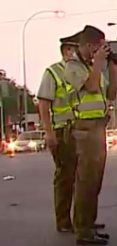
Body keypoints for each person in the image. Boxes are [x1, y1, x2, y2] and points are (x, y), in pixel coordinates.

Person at [64, 25, 117, 246]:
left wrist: (113, 69)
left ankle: (89, 223)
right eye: (98, 47)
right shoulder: (72, 67)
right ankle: (83, 230)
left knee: (96, 179)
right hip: (84, 129)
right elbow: (93, 87)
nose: (101, 51)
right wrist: (97, 64)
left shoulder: (92, 66)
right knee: (85, 180)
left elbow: (110, 94)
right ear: (87, 46)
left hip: (98, 128)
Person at [36, 31, 81, 233]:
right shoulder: (53, 72)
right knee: (65, 177)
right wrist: (49, 133)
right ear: (67, 51)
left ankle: (82, 219)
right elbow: (43, 104)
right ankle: (63, 220)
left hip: (81, 130)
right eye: (76, 49)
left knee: (83, 176)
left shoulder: (81, 71)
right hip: (62, 130)